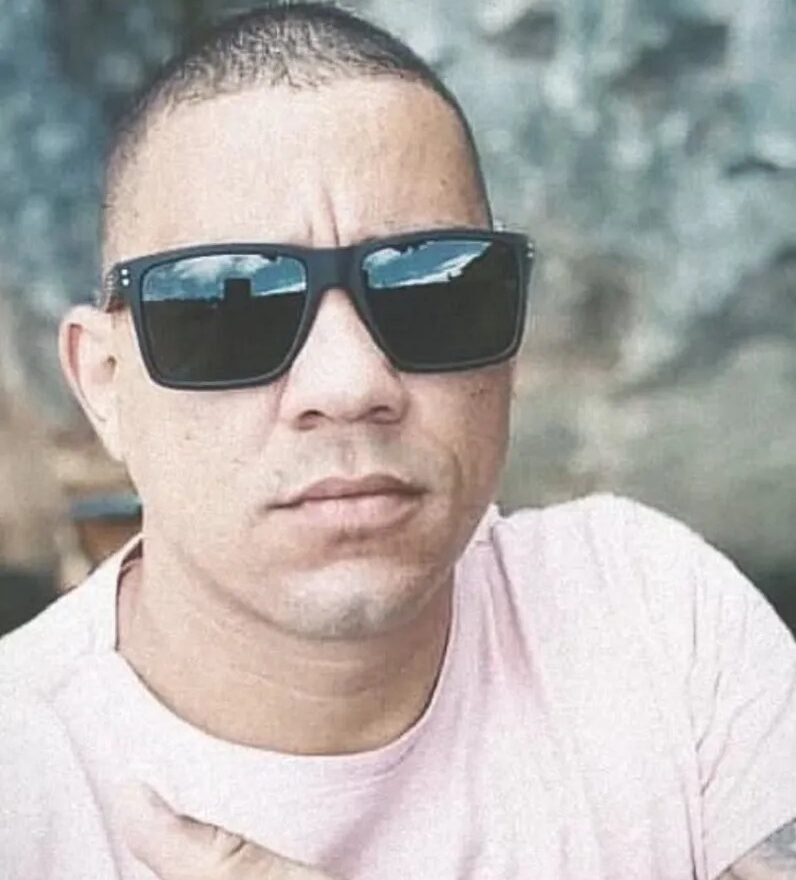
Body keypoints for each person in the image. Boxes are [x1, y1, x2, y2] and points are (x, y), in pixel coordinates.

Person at [0, 4, 794, 879]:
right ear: (104, 383)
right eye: (227, 311)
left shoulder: (649, 619)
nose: (350, 386)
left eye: (434, 291)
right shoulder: (23, 785)